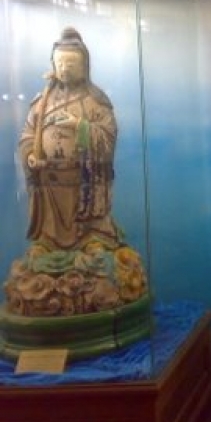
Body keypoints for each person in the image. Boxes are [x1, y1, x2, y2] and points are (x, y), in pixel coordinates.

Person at [5, 27, 147, 317]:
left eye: (71, 62)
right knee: (48, 229)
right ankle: (47, 243)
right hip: (50, 183)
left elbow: (108, 137)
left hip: (84, 182)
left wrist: (78, 126)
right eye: (60, 62)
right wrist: (31, 155)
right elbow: (27, 135)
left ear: (84, 66)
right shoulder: (41, 102)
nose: (65, 68)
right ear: (53, 65)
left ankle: (92, 240)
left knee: (91, 230)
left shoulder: (96, 101)